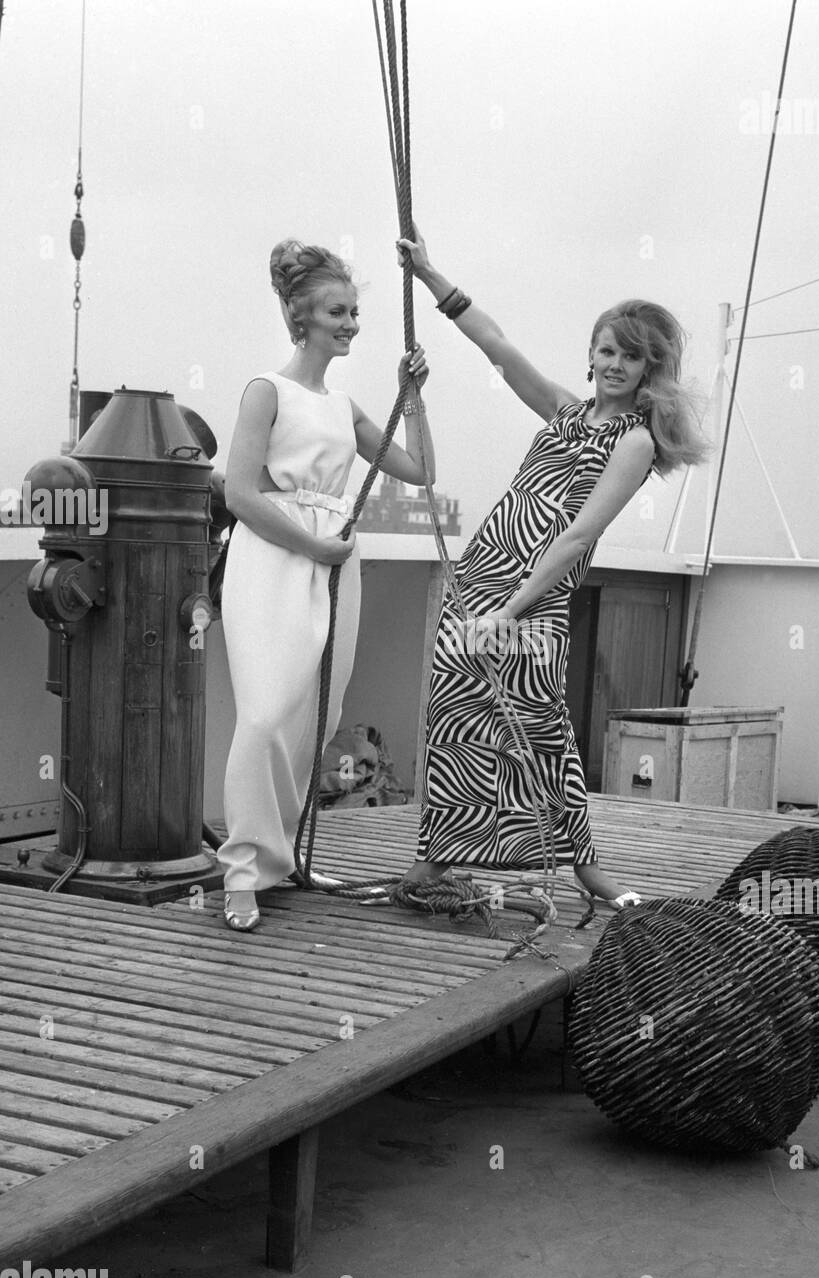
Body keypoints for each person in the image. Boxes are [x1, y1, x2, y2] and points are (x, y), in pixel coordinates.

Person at [394, 228, 706, 913]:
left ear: (650, 370)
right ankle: (431, 859)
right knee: (456, 717)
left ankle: (586, 867)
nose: (614, 364)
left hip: (531, 598)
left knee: (536, 725)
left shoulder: (634, 442)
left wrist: (513, 609)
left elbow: (578, 536)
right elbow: (500, 350)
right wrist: (427, 272)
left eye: (630, 356)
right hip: (479, 574)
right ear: (590, 354)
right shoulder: (567, 410)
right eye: (606, 350)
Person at [217, 239, 433, 931]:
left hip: (336, 563)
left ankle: (280, 859)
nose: (352, 323)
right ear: (300, 317)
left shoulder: (345, 405)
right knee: (263, 715)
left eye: (355, 311)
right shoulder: (265, 391)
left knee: (317, 718)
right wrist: (313, 544)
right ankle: (243, 872)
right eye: (338, 311)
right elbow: (240, 495)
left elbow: (420, 466)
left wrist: (414, 396)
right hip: (273, 559)